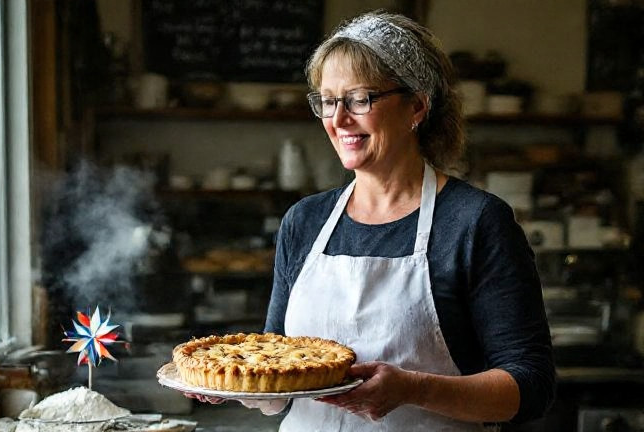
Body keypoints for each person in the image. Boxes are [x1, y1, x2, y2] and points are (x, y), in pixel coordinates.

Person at [187, 11, 555, 431]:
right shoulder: (304, 221)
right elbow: (278, 377)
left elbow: (531, 385)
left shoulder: (476, 222)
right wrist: (228, 383)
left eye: (359, 99)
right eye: (327, 101)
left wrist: (413, 388)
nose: (338, 120)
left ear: (417, 105)